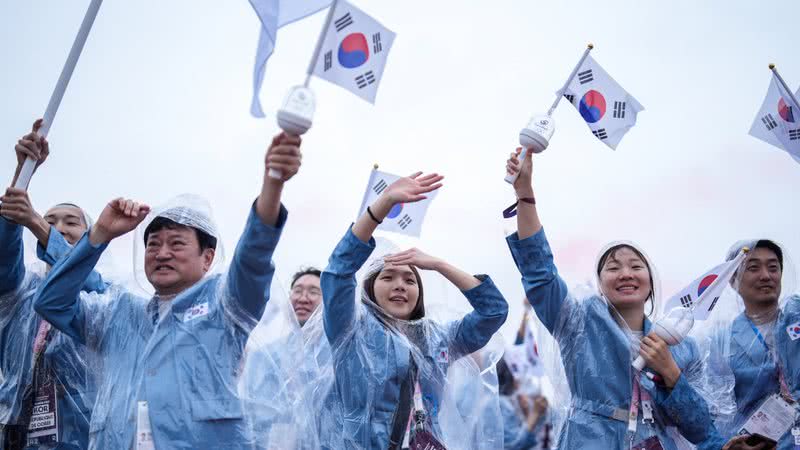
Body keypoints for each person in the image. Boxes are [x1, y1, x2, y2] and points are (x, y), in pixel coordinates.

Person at [33, 132, 302, 449]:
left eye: (176, 244)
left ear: (207, 257)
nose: (162, 253)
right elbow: (51, 302)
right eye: (153, 244)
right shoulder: (118, 313)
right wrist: (99, 236)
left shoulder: (225, 305)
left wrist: (273, 184)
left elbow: (254, 259)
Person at [504, 149, 726, 449]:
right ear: (600, 283)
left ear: (650, 282)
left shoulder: (681, 347)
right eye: (613, 267)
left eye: (636, 266)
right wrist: (525, 193)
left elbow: (701, 429)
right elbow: (539, 273)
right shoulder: (578, 322)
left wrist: (670, 372)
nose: (626, 274)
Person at [315, 171, 509, 449]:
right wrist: (382, 205)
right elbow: (337, 274)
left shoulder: (438, 338)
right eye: (387, 277)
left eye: (409, 280)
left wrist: (439, 265)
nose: (400, 286)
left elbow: (493, 312)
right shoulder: (349, 331)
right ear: (369, 289)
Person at [0, 120, 106, 450]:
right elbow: (3, 260)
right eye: (50, 220)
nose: (58, 227)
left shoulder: (106, 292)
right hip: (14, 433)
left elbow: (82, 284)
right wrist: (22, 174)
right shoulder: (21, 294)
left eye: (71, 222)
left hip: (80, 435)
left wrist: (36, 222)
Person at [705, 239, 800, 449]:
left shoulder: (795, 319)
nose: (765, 276)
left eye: (773, 267)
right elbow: (716, 409)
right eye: (753, 268)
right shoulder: (723, 341)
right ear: (732, 280)